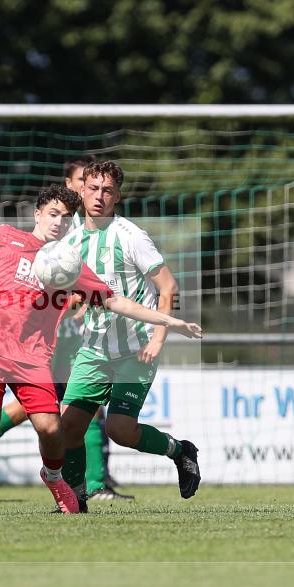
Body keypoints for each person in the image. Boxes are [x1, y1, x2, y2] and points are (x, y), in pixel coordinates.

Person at [0, 184, 201, 516]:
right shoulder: (4, 236)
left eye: (66, 218)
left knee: (51, 428)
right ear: (37, 214)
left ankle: (53, 477)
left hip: (32, 356)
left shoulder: (70, 263)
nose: (59, 223)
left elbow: (116, 301)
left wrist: (170, 322)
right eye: (53, 214)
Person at [0, 155, 134, 503]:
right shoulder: (58, 230)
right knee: (47, 408)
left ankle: (91, 483)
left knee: (73, 407)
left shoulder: (94, 230)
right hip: (36, 338)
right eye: (85, 185)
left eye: (99, 188)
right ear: (74, 187)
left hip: (71, 333)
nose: (92, 193)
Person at [60, 161, 201, 509]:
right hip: (93, 348)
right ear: (81, 190)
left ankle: (179, 450)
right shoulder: (72, 238)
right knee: (67, 428)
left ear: (117, 196)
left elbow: (168, 287)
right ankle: (75, 500)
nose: (98, 196)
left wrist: (158, 338)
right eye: (93, 188)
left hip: (136, 349)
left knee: (120, 430)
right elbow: (80, 288)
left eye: (107, 190)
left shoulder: (131, 236)